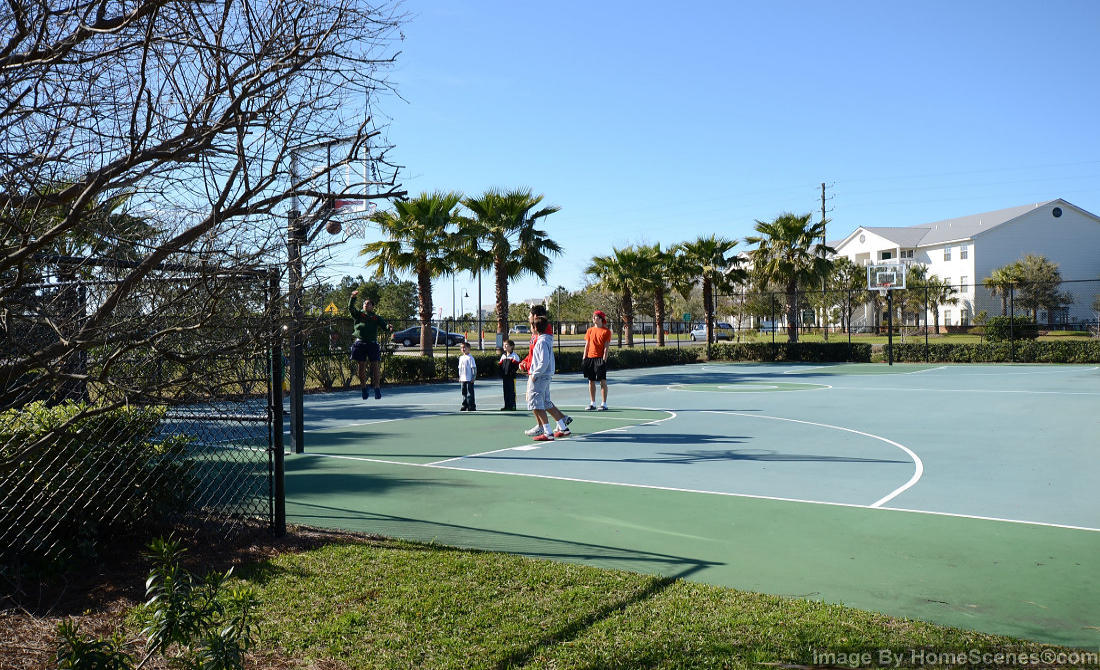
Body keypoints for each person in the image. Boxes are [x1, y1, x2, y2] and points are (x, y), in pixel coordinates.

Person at [524, 315, 572, 441]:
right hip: (545, 375)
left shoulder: (541, 342)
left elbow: (543, 362)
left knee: (536, 404)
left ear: (535, 327)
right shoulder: (546, 339)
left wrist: (535, 374)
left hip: (540, 376)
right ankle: (563, 427)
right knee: (546, 402)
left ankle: (547, 432)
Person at [348, 290, 392, 399]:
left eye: (368, 303)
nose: (366, 304)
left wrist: (389, 327)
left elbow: (385, 326)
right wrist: (352, 297)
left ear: (373, 306)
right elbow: (351, 308)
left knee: (375, 366)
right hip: (360, 343)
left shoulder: (376, 317)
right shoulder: (359, 314)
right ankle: (363, 388)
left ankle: (377, 388)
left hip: (372, 344)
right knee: (361, 367)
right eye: (364, 303)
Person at [583, 310, 612, 411]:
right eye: (593, 317)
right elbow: (587, 345)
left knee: (602, 381)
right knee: (591, 381)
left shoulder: (606, 331)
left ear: (600, 319)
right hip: (590, 358)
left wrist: (604, 360)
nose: (594, 318)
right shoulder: (590, 330)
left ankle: (604, 404)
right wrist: (584, 357)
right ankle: (592, 403)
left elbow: (606, 348)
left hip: (600, 359)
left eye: (596, 317)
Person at [498, 339, 520, 411]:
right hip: (505, 378)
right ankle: (506, 405)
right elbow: (500, 366)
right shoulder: (503, 356)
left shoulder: (514, 356)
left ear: (511, 347)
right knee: (506, 391)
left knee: (512, 391)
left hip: (511, 378)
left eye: (506, 345)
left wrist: (511, 373)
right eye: (504, 345)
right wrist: (501, 374)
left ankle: (513, 405)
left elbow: (516, 367)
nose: (504, 346)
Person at [457, 341, 477, 411]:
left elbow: (474, 368)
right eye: (461, 348)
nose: (463, 349)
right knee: (464, 392)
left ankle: (471, 406)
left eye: (464, 347)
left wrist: (473, 377)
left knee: (470, 393)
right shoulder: (461, 358)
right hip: (463, 379)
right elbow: (460, 368)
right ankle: (464, 405)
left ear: (469, 349)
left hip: (469, 379)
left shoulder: (470, 358)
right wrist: (460, 377)